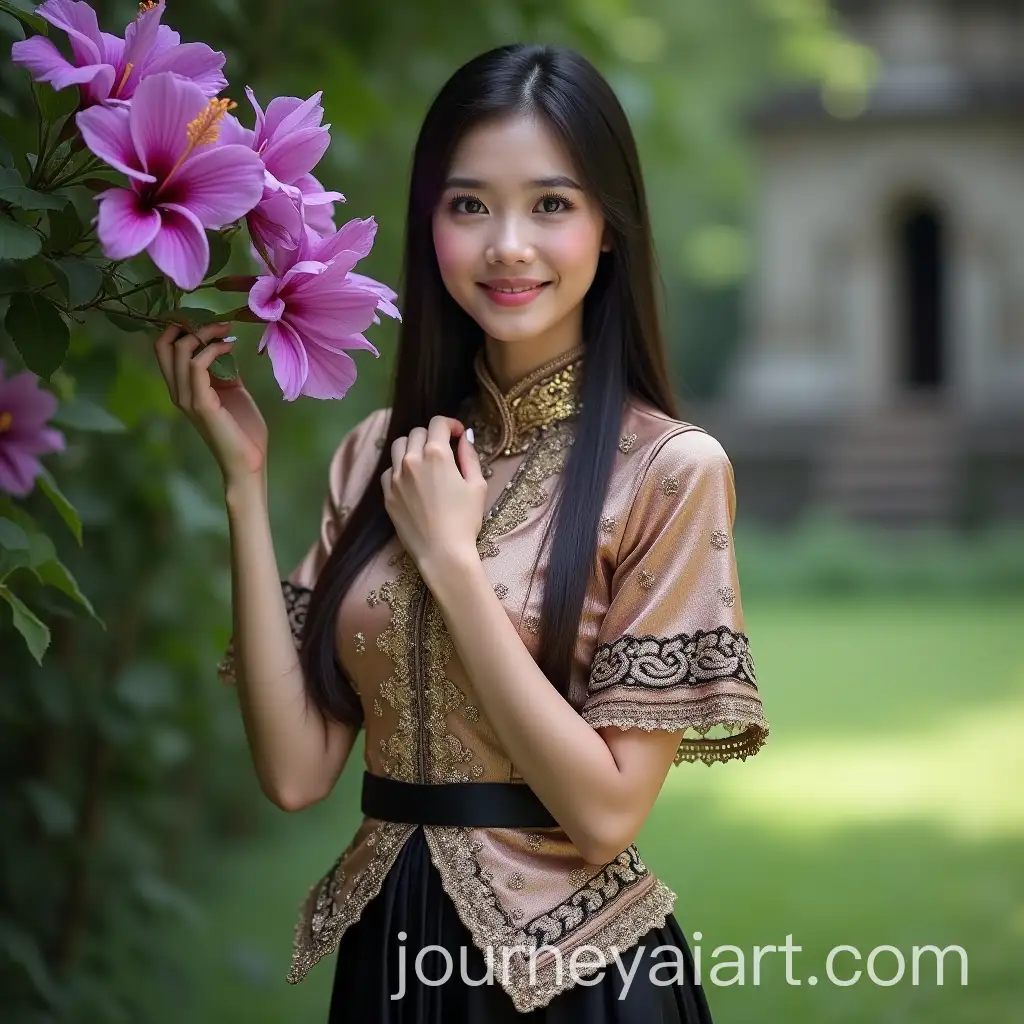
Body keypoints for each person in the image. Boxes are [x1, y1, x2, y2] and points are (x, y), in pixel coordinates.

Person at [154, 42, 769, 1023]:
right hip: (387, 965)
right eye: (470, 204)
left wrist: (449, 561)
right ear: (428, 223)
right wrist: (244, 484)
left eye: (552, 205)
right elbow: (296, 771)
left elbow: (606, 814)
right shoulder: (377, 456)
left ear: (611, 228)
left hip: (580, 981)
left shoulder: (668, 469)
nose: (508, 246)